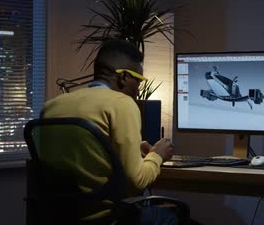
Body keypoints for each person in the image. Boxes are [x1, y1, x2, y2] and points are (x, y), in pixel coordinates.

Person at [40, 39, 175, 223]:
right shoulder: (122, 104)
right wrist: (158, 155)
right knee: (172, 217)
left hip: (59, 217)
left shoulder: (50, 107)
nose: (138, 89)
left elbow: (83, 155)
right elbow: (137, 182)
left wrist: (132, 149)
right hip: (108, 216)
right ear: (124, 77)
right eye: (139, 81)